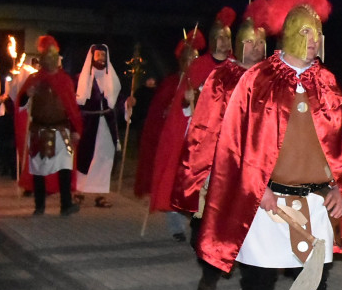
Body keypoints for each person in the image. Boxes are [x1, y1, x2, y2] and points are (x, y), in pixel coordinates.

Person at [197, 0, 342, 290]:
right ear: (289, 33)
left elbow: (337, 147)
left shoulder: (328, 84)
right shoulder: (257, 80)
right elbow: (235, 144)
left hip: (313, 202)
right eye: (306, 32)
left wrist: (337, 188)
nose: (313, 41)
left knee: (314, 286)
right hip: (266, 201)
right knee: (257, 281)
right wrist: (257, 188)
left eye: (318, 34)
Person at [179, 0, 269, 290]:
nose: (257, 49)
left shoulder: (270, 79)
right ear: (239, 44)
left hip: (260, 166)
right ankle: (210, 275)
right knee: (218, 227)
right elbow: (205, 123)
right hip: (225, 164)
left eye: (261, 43)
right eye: (251, 43)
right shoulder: (222, 76)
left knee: (256, 229)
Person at [134, 24, 213, 241]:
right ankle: (176, 226)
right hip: (174, 142)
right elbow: (156, 114)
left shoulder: (206, 83)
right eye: (189, 59)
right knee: (170, 181)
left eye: (196, 59)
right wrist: (168, 112)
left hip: (197, 143)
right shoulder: (170, 83)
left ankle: (196, 224)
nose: (192, 63)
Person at [17, 36, 82, 216]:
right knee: (39, 170)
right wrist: (27, 95)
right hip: (40, 130)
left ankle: (66, 204)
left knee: (64, 168)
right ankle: (39, 206)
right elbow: (21, 104)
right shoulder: (34, 79)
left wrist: (76, 130)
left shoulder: (65, 80)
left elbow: (72, 108)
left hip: (61, 130)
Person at [74, 44, 128, 207]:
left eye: (104, 55)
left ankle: (100, 194)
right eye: (98, 55)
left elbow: (118, 100)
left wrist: (127, 104)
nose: (101, 58)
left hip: (107, 124)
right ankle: (79, 191)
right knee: (85, 158)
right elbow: (75, 102)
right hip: (89, 124)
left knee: (104, 158)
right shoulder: (81, 79)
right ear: (92, 57)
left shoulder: (112, 79)